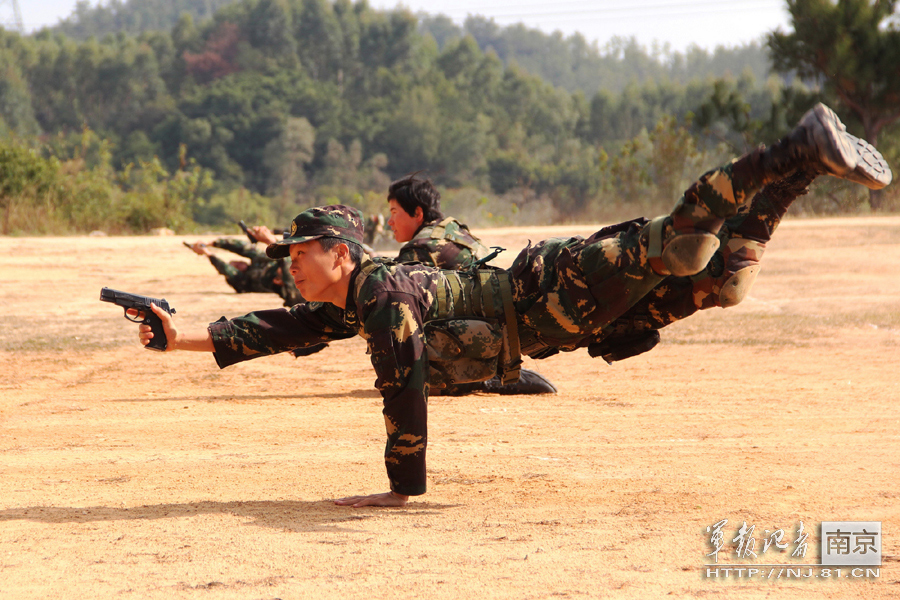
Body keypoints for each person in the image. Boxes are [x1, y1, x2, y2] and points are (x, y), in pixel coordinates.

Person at [131, 104, 891, 507]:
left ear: (339, 252)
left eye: (297, 256)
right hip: (569, 323)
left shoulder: (383, 293)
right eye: (286, 259)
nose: (288, 268)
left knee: (685, 246)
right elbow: (279, 328)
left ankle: (793, 148)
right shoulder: (354, 297)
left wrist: (400, 489)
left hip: (550, 285)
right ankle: (805, 175)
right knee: (726, 283)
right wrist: (178, 339)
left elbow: (404, 391)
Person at [386, 173, 557, 395]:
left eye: (393, 213)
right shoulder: (456, 232)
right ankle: (491, 370)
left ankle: (472, 378)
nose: (389, 221)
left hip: (476, 340)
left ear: (417, 213)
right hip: (500, 338)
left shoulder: (420, 249)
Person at [187, 229, 303, 307]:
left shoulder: (255, 275)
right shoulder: (253, 279)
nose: (238, 263)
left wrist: (209, 247)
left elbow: (239, 252)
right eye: (237, 265)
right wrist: (270, 241)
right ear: (278, 281)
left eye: (236, 263)